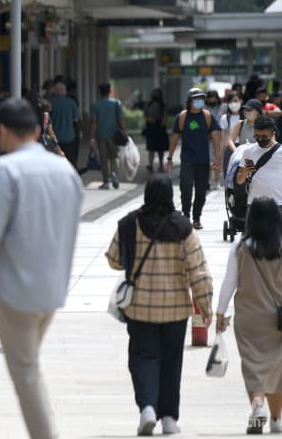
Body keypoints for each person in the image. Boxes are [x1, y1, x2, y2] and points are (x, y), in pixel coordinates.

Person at [0, 98, 83, 439]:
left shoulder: (6, 170)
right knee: (30, 366)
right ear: (38, 130)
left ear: (2, 131)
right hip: (53, 290)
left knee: (26, 373)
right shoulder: (66, 172)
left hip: (16, 292)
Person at [104, 174, 213, 435]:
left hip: (140, 308)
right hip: (176, 310)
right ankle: (169, 418)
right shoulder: (183, 228)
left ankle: (147, 409)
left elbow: (114, 260)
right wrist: (205, 306)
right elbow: (199, 271)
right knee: (171, 362)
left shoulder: (129, 223)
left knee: (142, 358)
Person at [216, 197, 282, 435]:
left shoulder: (240, 247)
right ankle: (276, 419)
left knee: (253, 365)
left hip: (248, 318)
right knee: (277, 368)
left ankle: (257, 405)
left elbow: (229, 282)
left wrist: (220, 312)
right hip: (278, 319)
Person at [167, 87, 221, 230]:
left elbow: (215, 137)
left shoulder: (208, 116)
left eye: (201, 98)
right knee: (186, 187)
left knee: (201, 191)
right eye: (196, 99)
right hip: (187, 160)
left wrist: (217, 158)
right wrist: (170, 158)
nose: (200, 101)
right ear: (190, 101)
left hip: (203, 160)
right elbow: (174, 138)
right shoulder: (182, 117)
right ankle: (186, 216)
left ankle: (196, 218)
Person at [235, 115, 282, 206]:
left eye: (264, 137)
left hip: (278, 203)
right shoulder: (248, 151)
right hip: (254, 203)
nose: (260, 139)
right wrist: (245, 172)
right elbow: (239, 181)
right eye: (257, 136)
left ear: (272, 133)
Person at [90, 82, 127, 189]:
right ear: (110, 91)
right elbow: (121, 119)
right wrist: (125, 131)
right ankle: (114, 173)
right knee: (114, 157)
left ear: (100, 92)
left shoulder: (95, 105)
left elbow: (94, 122)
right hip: (114, 135)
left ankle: (106, 182)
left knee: (104, 159)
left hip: (101, 135)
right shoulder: (116, 103)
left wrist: (92, 136)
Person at [49, 82, 81, 168]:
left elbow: (47, 121)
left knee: (55, 163)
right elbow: (76, 119)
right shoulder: (72, 103)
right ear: (65, 91)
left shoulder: (51, 103)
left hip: (55, 138)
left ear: (55, 92)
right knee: (69, 162)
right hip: (69, 138)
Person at [220, 92, 245, 179]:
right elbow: (222, 139)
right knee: (228, 177)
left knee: (242, 177)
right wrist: (219, 155)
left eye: (235, 101)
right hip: (229, 149)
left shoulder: (246, 117)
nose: (233, 104)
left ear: (241, 101)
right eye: (230, 101)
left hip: (244, 149)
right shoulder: (225, 118)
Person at [144, 89, 169, 172]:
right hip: (154, 128)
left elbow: (165, 116)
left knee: (157, 149)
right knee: (154, 148)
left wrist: (162, 122)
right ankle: (153, 165)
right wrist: (150, 120)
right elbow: (145, 115)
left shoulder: (161, 105)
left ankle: (158, 165)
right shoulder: (151, 104)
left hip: (157, 128)